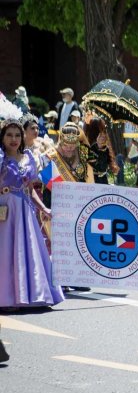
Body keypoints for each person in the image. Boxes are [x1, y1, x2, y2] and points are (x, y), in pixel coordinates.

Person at [0, 119, 63, 310]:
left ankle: (34, 295)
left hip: (25, 211)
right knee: (6, 253)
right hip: (4, 211)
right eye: (9, 135)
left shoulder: (27, 157)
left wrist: (43, 208)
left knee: (27, 252)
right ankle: (7, 298)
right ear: (2, 137)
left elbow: (30, 188)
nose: (14, 139)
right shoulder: (0, 158)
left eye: (17, 135)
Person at [84, 118, 119, 185]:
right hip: (93, 179)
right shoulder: (90, 147)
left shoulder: (103, 147)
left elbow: (107, 163)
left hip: (101, 179)